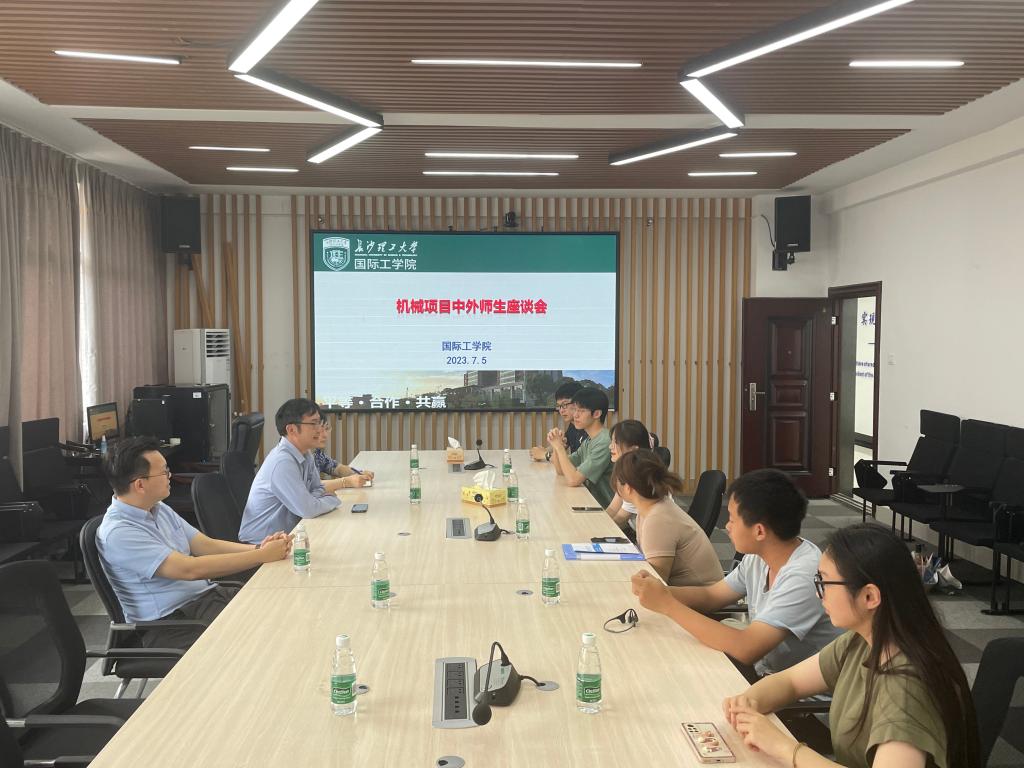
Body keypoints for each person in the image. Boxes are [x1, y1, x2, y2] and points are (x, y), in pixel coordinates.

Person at [723, 523, 980, 768]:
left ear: (869, 596)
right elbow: (790, 681)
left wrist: (783, 747)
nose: (818, 593)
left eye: (824, 583)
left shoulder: (906, 688)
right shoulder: (862, 641)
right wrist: (749, 703)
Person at [631, 468, 840, 676]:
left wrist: (667, 604)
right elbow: (712, 596)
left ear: (759, 531)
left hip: (797, 690)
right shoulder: (759, 556)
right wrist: (658, 592)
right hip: (768, 671)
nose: (727, 526)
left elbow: (746, 648)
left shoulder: (804, 575)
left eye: (732, 519)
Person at [97, 436, 292, 650]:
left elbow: (205, 545)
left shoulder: (158, 508)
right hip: (170, 624)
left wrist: (259, 548)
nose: (170, 476)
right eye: (164, 472)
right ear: (140, 485)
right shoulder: (118, 532)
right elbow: (189, 569)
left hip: (203, 600)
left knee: (281, 609)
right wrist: (261, 556)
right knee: (266, 637)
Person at [239, 398, 342, 544]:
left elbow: (318, 489)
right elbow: (308, 509)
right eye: (313, 423)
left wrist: (312, 500)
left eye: (319, 422)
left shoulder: (306, 454)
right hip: (261, 545)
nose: (320, 429)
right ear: (292, 430)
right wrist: (333, 500)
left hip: (288, 537)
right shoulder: (282, 462)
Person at [613, 450, 721, 587]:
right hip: (687, 592)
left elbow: (656, 582)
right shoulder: (651, 507)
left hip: (699, 597)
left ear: (628, 488)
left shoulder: (658, 518)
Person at [546, 386, 614, 507]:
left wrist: (559, 448)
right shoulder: (589, 440)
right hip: (590, 502)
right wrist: (557, 446)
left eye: (581, 411)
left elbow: (573, 480)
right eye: (575, 410)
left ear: (597, 414)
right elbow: (560, 471)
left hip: (605, 509)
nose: (575, 415)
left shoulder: (604, 442)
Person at [604, 419, 654, 531]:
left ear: (633, 449)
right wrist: (598, 521)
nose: (610, 447)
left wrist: (596, 530)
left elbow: (621, 519)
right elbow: (612, 508)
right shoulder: (626, 470)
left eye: (616, 443)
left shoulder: (640, 475)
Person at [529, 381, 587, 461]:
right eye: (559, 406)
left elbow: (576, 461)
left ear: (579, 403)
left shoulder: (589, 431)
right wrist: (543, 451)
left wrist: (545, 455)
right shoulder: (573, 425)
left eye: (564, 405)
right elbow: (563, 444)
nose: (561, 411)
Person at [311, 420, 374, 493]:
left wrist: (358, 473)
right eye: (320, 430)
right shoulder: (301, 454)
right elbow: (310, 487)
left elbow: (336, 467)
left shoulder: (316, 452)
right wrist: (346, 482)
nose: (325, 435)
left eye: (326, 428)